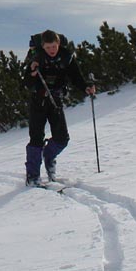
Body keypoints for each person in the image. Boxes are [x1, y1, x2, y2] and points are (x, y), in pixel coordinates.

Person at [23, 29, 96, 187]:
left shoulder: (66, 57)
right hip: (38, 101)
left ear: (58, 44)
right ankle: (33, 176)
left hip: (56, 100)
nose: (51, 50)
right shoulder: (35, 57)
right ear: (42, 46)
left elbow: (76, 76)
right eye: (48, 47)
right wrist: (32, 73)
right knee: (36, 138)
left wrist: (86, 87)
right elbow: (25, 82)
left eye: (54, 46)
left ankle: (48, 158)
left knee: (62, 138)